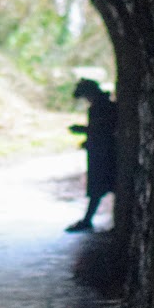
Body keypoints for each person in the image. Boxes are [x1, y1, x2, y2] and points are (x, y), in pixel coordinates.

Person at [65, 78, 115, 232]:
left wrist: (84, 130)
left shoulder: (100, 107)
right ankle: (88, 219)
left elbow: (102, 129)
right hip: (103, 150)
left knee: (97, 187)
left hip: (104, 153)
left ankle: (87, 220)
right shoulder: (105, 105)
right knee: (100, 187)